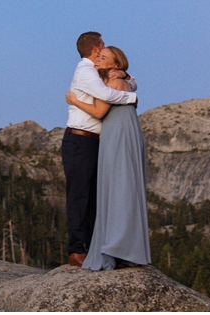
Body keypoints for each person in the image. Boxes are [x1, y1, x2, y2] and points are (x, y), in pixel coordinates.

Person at [67, 45, 151, 271]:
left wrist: (73, 101)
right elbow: (130, 84)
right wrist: (128, 80)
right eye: (99, 55)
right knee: (117, 189)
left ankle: (117, 249)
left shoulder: (113, 82)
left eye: (104, 58)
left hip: (117, 133)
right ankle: (121, 249)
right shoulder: (103, 76)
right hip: (114, 132)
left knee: (118, 189)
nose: (98, 60)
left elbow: (99, 111)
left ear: (115, 64)